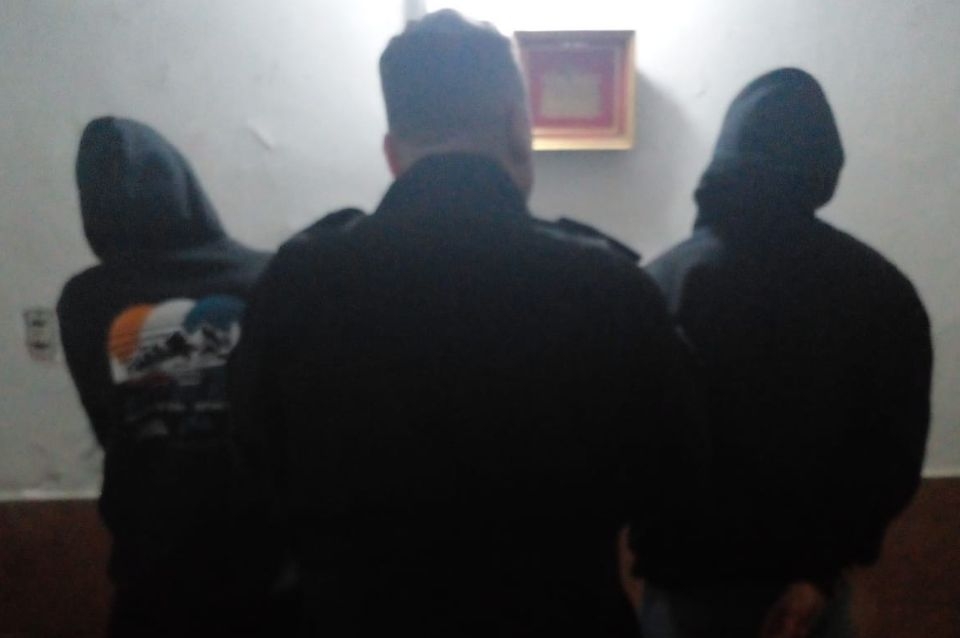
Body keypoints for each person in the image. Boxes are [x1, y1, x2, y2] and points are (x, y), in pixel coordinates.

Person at [230, 10, 708, 637]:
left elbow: (251, 476)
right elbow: (680, 488)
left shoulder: (296, 286)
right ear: (517, 127)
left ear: (393, 154)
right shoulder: (607, 286)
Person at [642, 68, 933, 637]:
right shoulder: (881, 292)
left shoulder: (663, 286)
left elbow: (629, 445)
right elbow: (892, 456)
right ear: (825, 163)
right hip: (811, 593)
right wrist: (819, 574)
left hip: (683, 591)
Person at [57, 116, 280, 637]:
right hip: (267, 566)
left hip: (152, 569)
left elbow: (110, 423)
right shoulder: (268, 275)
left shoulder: (86, 300)